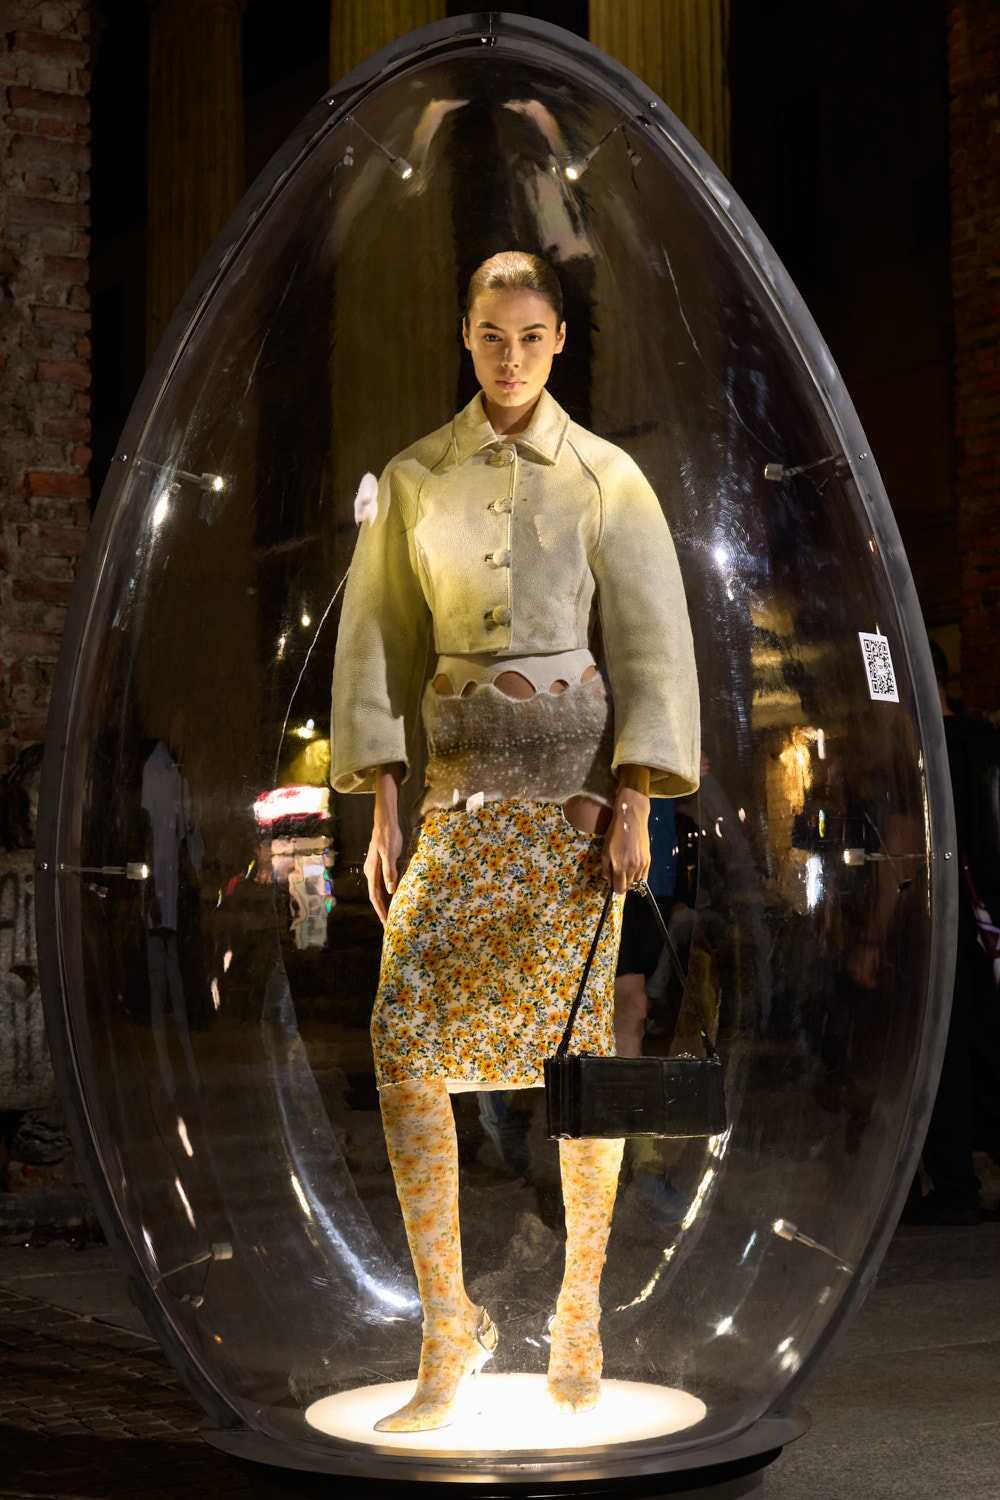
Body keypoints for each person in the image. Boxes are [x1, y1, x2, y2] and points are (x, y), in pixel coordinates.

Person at [330, 251, 700, 1430]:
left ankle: (581, 1313)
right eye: (492, 335)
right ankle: (451, 1325)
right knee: (403, 1048)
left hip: (573, 826)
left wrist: (635, 799)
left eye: (531, 336)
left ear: (557, 342)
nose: (510, 356)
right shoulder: (412, 478)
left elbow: (648, 642)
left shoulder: (606, 476)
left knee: (580, 1067)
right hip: (454, 808)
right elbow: (379, 641)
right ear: (465, 335)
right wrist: (383, 804)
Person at [903, 640, 1000, 1224]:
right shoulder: (984, 741)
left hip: (950, 919)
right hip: (989, 914)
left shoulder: (924, 756)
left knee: (947, 1050)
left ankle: (956, 1179)